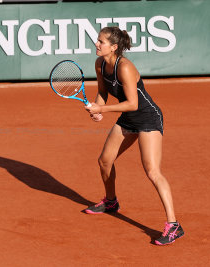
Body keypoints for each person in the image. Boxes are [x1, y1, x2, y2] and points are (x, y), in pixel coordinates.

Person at [84, 26, 184, 245]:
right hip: (128, 119)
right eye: (97, 40)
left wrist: (102, 110)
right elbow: (102, 92)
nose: (97, 44)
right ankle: (111, 202)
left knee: (152, 171)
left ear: (114, 46)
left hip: (148, 118)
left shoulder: (125, 67)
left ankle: (173, 225)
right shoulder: (100, 64)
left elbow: (133, 103)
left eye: (101, 42)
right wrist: (98, 108)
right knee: (105, 161)